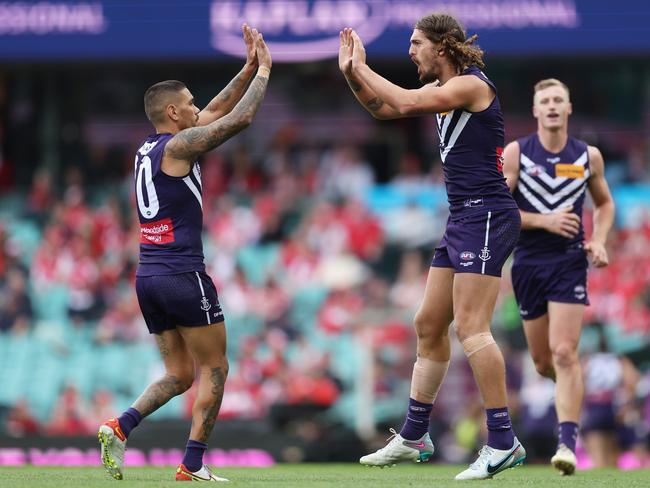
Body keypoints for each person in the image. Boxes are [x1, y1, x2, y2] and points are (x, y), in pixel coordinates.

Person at [340, 13, 525, 480]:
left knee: (472, 328)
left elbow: (401, 101)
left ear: (442, 47)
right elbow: (385, 110)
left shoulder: (469, 85)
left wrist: (361, 66)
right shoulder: (446, 96)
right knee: (427, 323)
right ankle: (414, 435)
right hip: (463, 216)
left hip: (487, 214)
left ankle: (503, 441)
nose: (410, 50)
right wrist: (351, 76)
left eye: (416, 42)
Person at [97, 24, 272, 482]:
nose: (198, 107)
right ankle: (192, 465)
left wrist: (246, 66)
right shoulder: (181, 146)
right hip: (182, 275)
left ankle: (119, 425)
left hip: (147, 279)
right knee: (216, 366)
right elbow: (237, 121)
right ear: (173, 112)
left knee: (179, 375)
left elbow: (214, 110)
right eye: (190, 102)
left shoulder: (149, 149)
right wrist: (264, 75)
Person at [502, 78, 615, 474]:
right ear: (535, 111)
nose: (551, 106)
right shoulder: (517, 153)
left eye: (557, 101)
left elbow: (604, 204)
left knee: (565, 352)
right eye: (544, 101)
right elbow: (502, 209)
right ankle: (568, 383)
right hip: (528, 263)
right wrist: (543, 220)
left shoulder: (588, 156)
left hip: (569, 261)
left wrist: (599, 240)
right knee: (543, 362)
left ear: (568, 109)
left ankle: (567, 443)